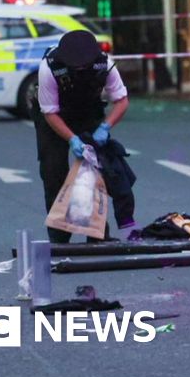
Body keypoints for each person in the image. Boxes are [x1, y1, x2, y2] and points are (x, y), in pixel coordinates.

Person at [34, 30, 130, 243]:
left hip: (88, 111)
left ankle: (96, 233)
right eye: (74, 66)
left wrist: (105, 127)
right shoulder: (49, 68)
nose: (78, 69)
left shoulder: (104, 63)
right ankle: (59, 236)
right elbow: (49, 112)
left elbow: (121, 100)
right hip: (54, 115)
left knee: (95, 170)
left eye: (82, 66)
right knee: (53, 171)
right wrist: (72, 139)